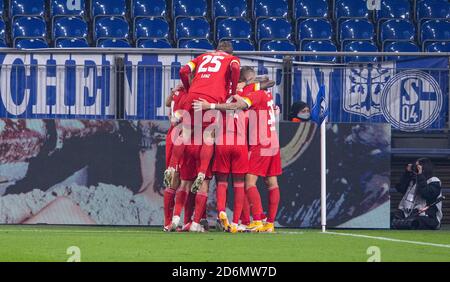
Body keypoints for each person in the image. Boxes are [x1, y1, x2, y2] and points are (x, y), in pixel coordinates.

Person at [193, 87, 282, 233]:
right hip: (256, 142)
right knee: (247, 184)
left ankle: (226, 211)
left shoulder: (223, 103)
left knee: (224, 182)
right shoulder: (257, 101)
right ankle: (240, 222)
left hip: (227, 143)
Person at [164, 41, 241, 194]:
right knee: (208, 135)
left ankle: (171, 167)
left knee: (184, 133)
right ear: (231, 53)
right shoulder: (231, 59)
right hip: (211, 98)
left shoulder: (202, 56)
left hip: (192, 95)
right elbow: (235, 68)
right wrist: (232, 91)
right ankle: (202, 173)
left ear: (216, 50)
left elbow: (183, 71)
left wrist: (188, 88)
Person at [391, 158, 443, 230]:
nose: (415, 168)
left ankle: (403, 224)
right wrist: (407, 173)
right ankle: (402, 223)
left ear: (424, 167)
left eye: (417, 166)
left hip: (427, 216)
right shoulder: (413, 180)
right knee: (389, 217)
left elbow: (426, 193)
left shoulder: (434, 181)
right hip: (408, 214)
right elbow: (400, 188)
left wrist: (420, 175)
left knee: (416, 222)